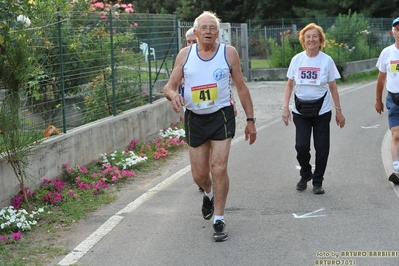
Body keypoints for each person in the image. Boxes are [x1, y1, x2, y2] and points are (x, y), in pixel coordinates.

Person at [163, 11, 257, 242]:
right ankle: (209, 193)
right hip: (195, 118)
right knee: (199, 175)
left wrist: (250, 120)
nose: (208, 32)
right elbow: (168, 86)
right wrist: (174, 95)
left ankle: (219, 219)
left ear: (218, 32)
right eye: (203, 28)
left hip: (221, 115)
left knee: (218, 166)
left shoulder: (229, 53)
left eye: (212, 28)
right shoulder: (185, 54)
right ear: (195, 32)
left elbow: (242, 88)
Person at [282, 23, 346, 195]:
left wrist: (338, 111)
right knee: (301, 146)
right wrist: (285, 108)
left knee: (322, 147)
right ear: (303, 40)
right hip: (300, 110)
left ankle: (318, 182)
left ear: (320, 40)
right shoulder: (297, 60)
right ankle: (305, 173)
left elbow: (333, 87)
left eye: (315, 36)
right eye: (308, 36)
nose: (311, 39)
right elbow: (289, 85)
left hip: (322, 111)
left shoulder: (327, 61)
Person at [375, 16, 399, 184]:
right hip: (394, 98)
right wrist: (378, 100)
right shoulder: (387, 53)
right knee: (396, 134)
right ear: (392, 32)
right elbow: (381, 78)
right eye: (397, 29)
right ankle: (397, 170)